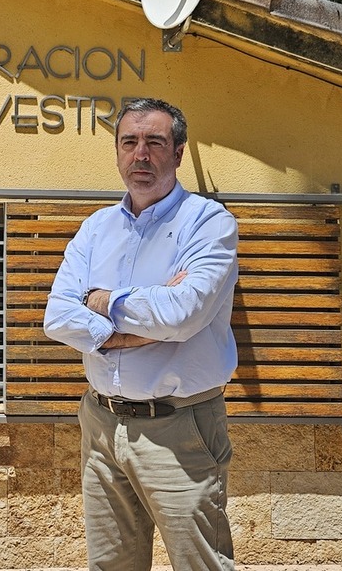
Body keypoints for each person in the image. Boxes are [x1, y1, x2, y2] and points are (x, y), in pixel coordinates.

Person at [43, 98, 238, 571]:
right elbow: (57, 316)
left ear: (178, 152)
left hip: (181, 427)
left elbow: (185, 313)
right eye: (129, 142)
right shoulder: (95, 229)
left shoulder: (208, 223)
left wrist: (104, 301)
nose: (141, 155)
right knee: (111, 565)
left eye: (155, 142)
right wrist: (141, 325)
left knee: (201, 565)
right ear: (117, 152)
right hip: (102, 423)